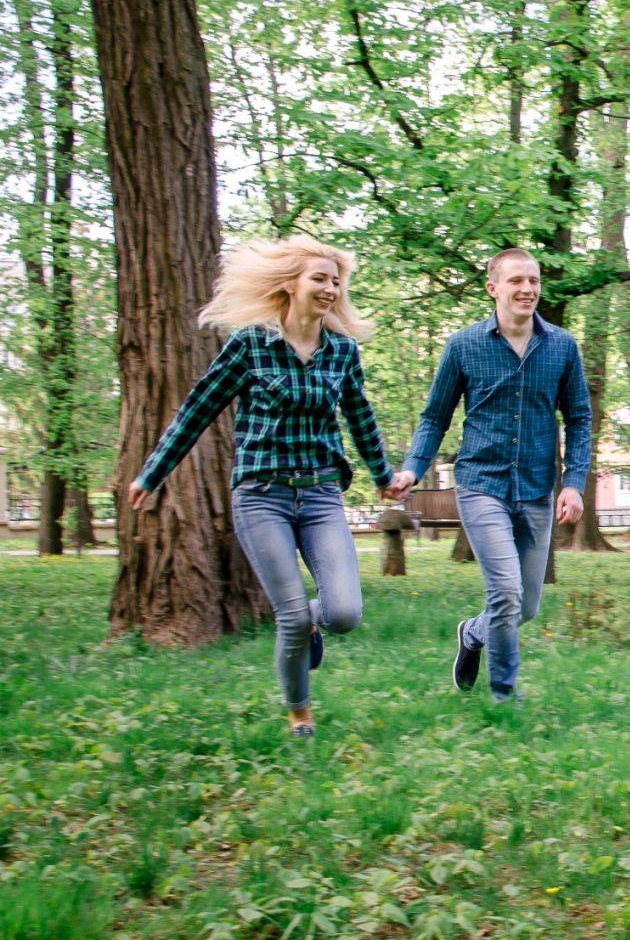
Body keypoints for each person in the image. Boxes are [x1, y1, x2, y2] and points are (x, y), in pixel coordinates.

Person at [129, 235, 400, 738]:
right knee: (291, 616)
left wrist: (383, 477)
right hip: (261, 496)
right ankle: (300, 714)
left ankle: (312, 624)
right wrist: (153, 472)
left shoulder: (341, 350)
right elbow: (197, 410)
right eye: (319, 278)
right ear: (289, 284)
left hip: (320, 495)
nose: (330, 288)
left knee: (343, 613)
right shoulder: (251, 344)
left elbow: (360, 416)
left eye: (335, 280)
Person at [388, 248, 591, 701]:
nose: (528, 289)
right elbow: (434, 417)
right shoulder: (463, 345)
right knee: (505, 590)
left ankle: (473, 633)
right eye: (517, 280)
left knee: (527, 605)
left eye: (534, 281)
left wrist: (574, 482)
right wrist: (412, 468)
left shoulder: (562, 346)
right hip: (481, 484)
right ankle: (504, 697)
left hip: (537, 488)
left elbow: (579, 418)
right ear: (493, 288)